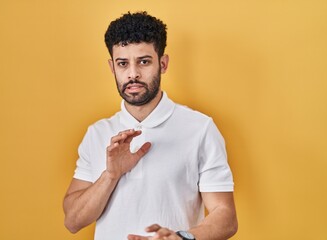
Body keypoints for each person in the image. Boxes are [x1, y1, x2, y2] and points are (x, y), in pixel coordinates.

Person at [63, 11, 238, 240]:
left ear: (163, 63)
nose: (133, 74)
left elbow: (225, 217)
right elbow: (73, 221)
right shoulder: (97, 133)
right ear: (112, 67)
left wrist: (182, 237)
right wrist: (111, 176)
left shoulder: (200, 128)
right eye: (123, 63)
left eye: (143, 61)